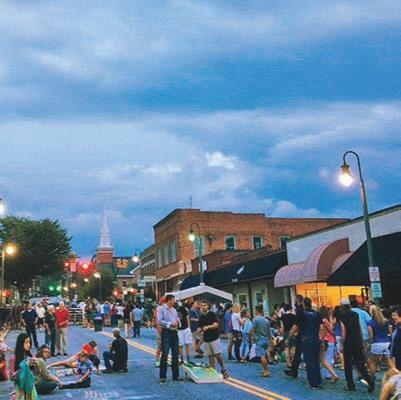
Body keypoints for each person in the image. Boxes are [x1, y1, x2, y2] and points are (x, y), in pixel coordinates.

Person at [285, 297, 322, 390]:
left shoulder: (302, 314)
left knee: (309, 361)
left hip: (306, 339)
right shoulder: (316, 314)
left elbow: (294, 328)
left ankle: (313, 383)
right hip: (315, 339)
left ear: (303, 304)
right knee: (316, 361)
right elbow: (321, 327)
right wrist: (322, 340)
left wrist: (288, 338)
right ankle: (318, 380)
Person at [340, 299, 374, 393]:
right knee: (360, 364)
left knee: (347, 365)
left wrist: (342, 344)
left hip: (348, 343)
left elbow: (344, 331)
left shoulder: (342, 316)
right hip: (357, 341)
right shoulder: (355, 314)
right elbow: (359, 328)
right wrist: (362, 341)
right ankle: (369, 380)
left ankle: (350, 385)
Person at [198, 300, 229, 379]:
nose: (203, 307)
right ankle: (213, 372)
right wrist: (199, 330)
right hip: (206, 338)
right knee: (210, 356)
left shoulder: (212, 314)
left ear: (208, 306)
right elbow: (201, 328)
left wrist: (208, 327)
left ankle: (223, 369)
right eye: (202, 305)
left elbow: (216, 324)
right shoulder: (201, 316)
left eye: (205, 305)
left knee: (218, 355)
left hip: (214, 337)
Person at [157, 294, 181, 383]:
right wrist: (170, 324)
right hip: (166, 332)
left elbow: (177, 318)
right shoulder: (161, 309)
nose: (175, 302)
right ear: (169, 300)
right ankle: (163, 376)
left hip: (174, 332)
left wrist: (178, 322)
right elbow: (160, 321)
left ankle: (176, 375)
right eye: (173, 300)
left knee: (175, 354)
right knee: (165, 354)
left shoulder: (174, 310)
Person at [368, 304, 393, 380]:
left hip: (377, 343)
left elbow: (371, 336)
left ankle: (371, 379)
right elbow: (390, 333)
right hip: (387, 342)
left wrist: (370, 344)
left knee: (373, 362)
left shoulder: (370, 322)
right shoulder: (386, 321)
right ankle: (396, 377)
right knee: (390, 363)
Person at [319, 306, 340, 382]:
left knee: (325, 358)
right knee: (328, 357)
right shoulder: (325, 321)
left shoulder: (323, 321)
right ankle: (329, 374)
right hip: (330, 340)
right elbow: (332, 330)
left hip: (326, 340)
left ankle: (329, 374)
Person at [249, 304, 271, 377]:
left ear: (256, 310)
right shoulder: (266, 320)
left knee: (262, 356)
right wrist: (270, 340)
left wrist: (251, 336)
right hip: (266, 339)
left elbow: (252, 330)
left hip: (259, 340)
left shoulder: (256, 319)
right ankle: (264, 369)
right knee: (264, 354)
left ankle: (266, 370)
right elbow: (269, 331)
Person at [177, 298, 193, 365]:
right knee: (181, 345)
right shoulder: (174, 310)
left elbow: (187, 317)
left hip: (184, 328)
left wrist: (189, 327)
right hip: (179, 329)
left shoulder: (183, 309)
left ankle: (187, 360)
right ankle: (183, 360)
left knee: (186, 345)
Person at [281, 303, 296, 368]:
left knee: (286, 348)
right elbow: (295, 326)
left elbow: (282, 326)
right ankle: (293, 360)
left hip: (286, 332)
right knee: (293, 347)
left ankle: (288, 363)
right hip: (292, 332)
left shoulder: (282, 316)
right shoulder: (294, 316)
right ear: (291, 308)